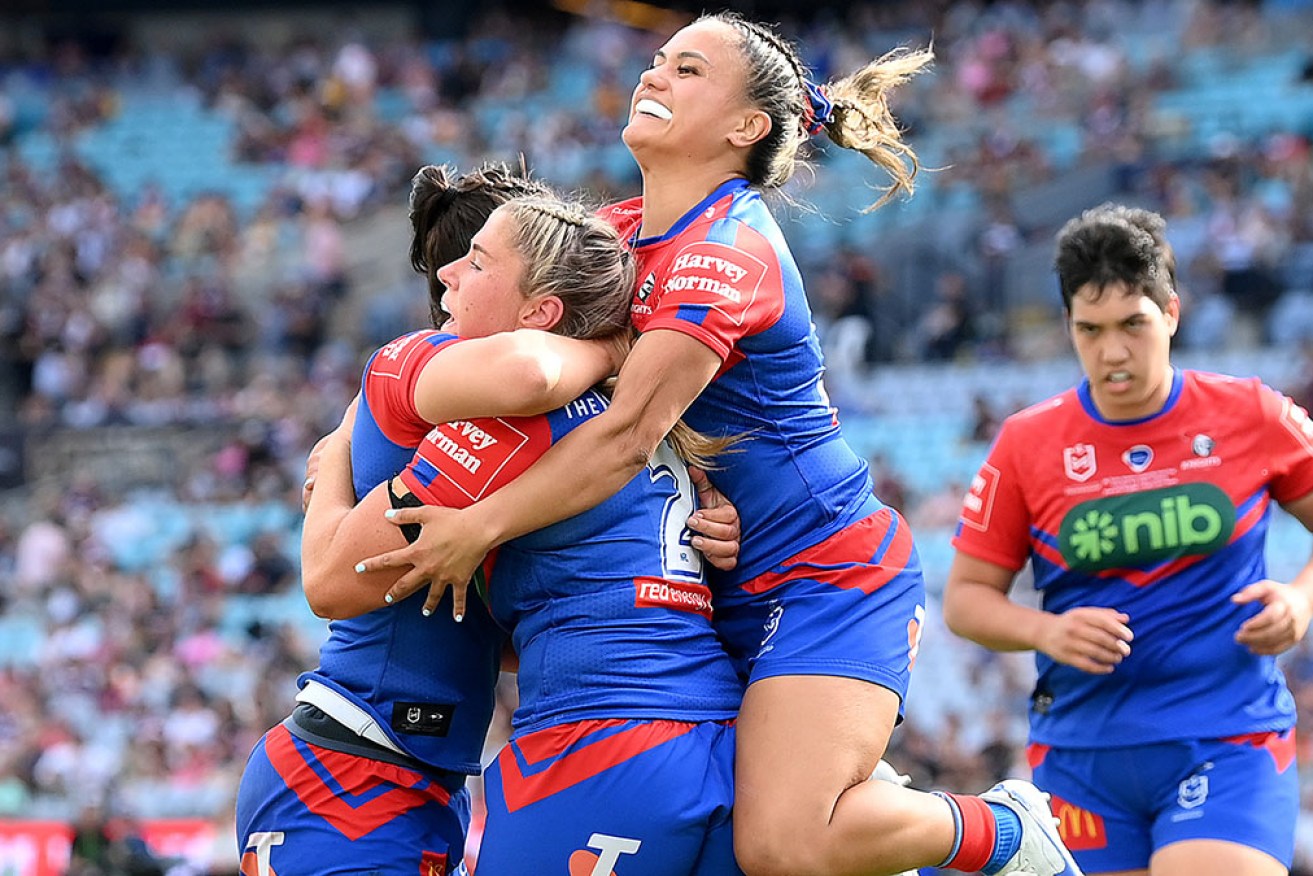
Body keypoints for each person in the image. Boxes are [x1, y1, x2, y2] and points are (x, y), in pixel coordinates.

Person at [357, 13, 1082, 876]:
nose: (654, 76)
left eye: (688, 70)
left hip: (825, 573)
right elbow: (525, 335)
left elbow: (626, 434)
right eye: (658, 61)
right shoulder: (619, 235)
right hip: (717, 576)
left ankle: (1009, 831)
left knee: (784, 846)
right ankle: (863, 794)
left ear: (748, 126)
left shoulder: (728, 248)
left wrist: (480, 526)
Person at [301, 194, 747, 874]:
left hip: (594, 744)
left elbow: (331, 586)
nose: (450, 273)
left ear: (541, 314)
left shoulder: (500, 418)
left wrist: (337, 450)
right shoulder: (648, 413)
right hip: (720, 731)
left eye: (476, 263)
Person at [234, 165, 642, 876]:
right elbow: (330, 582)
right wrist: (626, 350)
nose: (454, 272)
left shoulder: (533, 428)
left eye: (479, 259)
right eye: (467, 256)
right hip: (347, 769)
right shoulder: (424, 368)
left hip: (423, 776)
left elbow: (505, 625)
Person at [943, 203, 1313, 876]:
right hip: (1082, 756)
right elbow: (965, 600)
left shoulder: (1251, 414)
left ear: (1170, 313)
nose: (1112, 352)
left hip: (1226, 736)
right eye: (1090, 330)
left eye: (1132, 325)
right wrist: (1042, 632)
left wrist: (1299, 600)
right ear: (1068, 326)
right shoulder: (1026, 443)